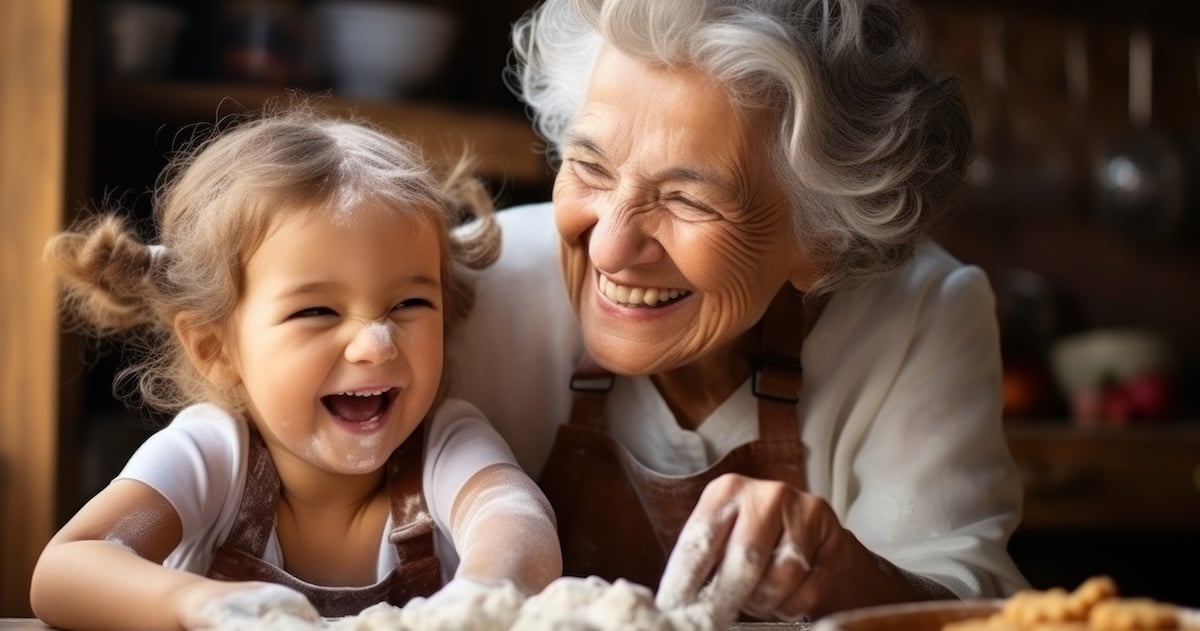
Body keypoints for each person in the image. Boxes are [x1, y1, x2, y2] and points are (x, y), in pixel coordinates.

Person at [446, 0, 1028, 623]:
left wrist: (842, 571)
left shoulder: (921, 315)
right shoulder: (471, 288)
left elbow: (981, 613)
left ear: (823, 237)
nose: (609, 248)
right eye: (590, 166)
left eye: (688, 200)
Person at [30, 104, 562, 630]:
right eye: (317, 311)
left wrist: (482, 597)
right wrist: (198, 605)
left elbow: (518, 525)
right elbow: (63, 571)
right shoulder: (214, 455)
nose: (376, 345)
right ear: (215, 348)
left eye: (409, 305)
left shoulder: (447, 446)